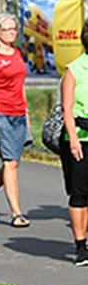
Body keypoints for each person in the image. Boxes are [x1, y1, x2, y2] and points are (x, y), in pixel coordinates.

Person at [0, 12, 30, 227]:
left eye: (14, 29)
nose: (12, 32)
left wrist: (26, 113)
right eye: (7, 29)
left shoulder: (17, 53)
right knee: (10, 163)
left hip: (18, 114)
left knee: (13, 163)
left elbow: (20, 85)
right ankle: (16, 213)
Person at [60, 19, 88, 266]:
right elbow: (67, 110)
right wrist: (74, 139)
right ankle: (81, 246)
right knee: (80, 193)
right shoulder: (74, 70)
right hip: (81, 137)